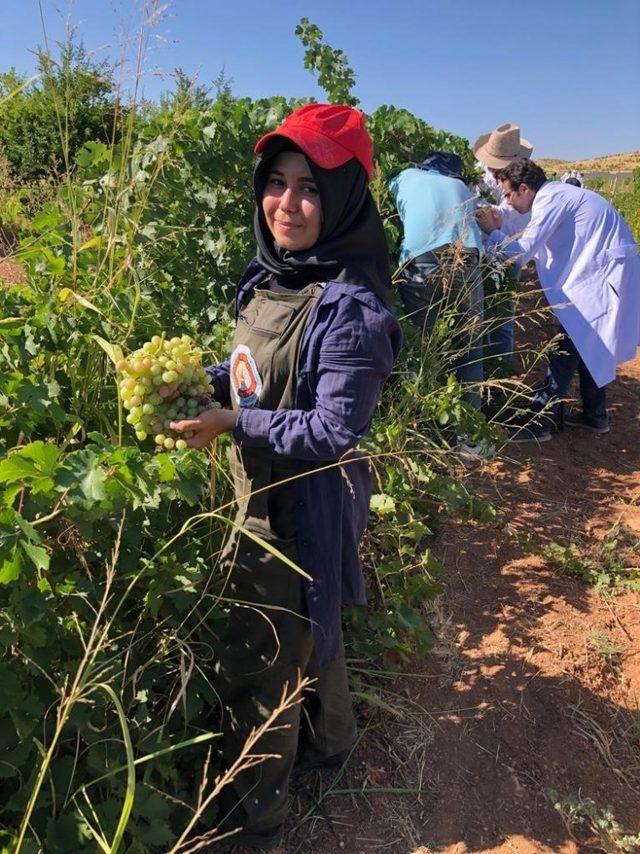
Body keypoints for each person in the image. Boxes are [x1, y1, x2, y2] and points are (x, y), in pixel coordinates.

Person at [170, 103, 401, 849]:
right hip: (258, 492)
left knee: (267, 650)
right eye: (277, 182)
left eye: (310, 187)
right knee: (305, 631)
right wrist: (197, 383)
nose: (287, 205)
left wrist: (233, 424)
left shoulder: (353, 311)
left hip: (301, 507)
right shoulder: (271, 277)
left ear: (343, 200)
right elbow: (252, 377)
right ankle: (333, 739)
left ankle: (258, 818)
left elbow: (334, 429)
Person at [476, 158, 640, 442]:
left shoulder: (552, 200)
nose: (507, 201)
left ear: (524, 188)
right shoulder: (554, 197)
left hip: (600, 278)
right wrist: (503, 222)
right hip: (601, 274)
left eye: (508, 194)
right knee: (589, 341)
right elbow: (531, 228)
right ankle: (595, 415)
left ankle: (539, 422)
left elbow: (522, 253)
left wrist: (492, 232)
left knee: (567, 346)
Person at [389, 151, 484, 408]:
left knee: (420, 344)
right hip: (467, 259)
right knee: (469, 344)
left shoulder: (405, 176)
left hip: (423, 260)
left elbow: (392, 202)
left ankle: (418, 423)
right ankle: (472, 439)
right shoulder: (462, 187)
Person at [473, 123, 534, 369]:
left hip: (508, 253)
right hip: (479, 252)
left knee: (502, 317)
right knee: (477, 313)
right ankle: (484, 370)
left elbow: (518, 219)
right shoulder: (478, 175)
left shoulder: (524, 183)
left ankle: (500, 373)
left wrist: (494, 220)